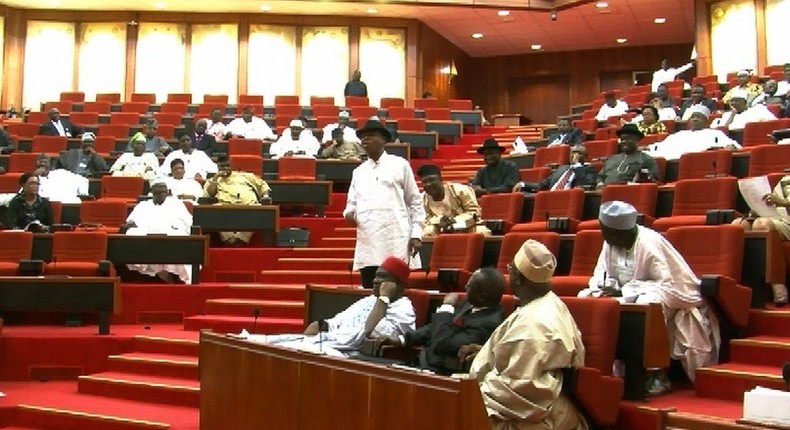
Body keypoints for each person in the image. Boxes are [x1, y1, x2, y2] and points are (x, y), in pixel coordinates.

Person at [579, 201, 720, 395]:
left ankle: (657, 374)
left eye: (606, 232)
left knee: (647, 303)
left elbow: (667, 283)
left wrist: (624, 292)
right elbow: (602, 275)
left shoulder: (648, 242)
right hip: (628, 293)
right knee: (585, 297)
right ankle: (598, 366)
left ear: (618, 232)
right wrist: (603, 289)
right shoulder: (610, 243)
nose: (603, 236)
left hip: (668, 295)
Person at [468, 239, 587, 430]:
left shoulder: (535, 325)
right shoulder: (548, 303)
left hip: (531, 418)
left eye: (510, 269)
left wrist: (470, 394)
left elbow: (518, 389)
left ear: (518, 278)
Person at [242, 256, 416, 358]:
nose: (375, 281)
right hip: (331, 341)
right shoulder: (369, 300)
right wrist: (323, 324)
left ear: (398, 285)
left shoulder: (404, 309)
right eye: (376, 276)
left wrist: (384, 298)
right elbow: (337, 321)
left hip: (353, 354)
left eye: (382, 277)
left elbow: (369, 331)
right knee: (263, 343)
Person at [374, 268, 505, 375]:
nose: (465, 287)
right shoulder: (469, 303)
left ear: (482, 296)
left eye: (469, 286)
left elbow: (441, 345)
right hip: (421, 364)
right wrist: (402, 339)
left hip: (441, 374)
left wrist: (446, 308)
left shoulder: (489, 323)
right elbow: (435, 328)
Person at [343, 119, 424, 288]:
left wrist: (416, 234)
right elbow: (351, 204)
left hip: (395, 237)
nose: (365, 140)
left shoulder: (400, 164)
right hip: (368, 239)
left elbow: (415, 201)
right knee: (369, 289)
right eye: (363, 137)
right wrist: (349, 214)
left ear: (384, 140)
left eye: (371, 136)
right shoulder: (358, 172)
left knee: (396, 290)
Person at [731, 179, 790, 306]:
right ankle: (742, 287)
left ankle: (778, 284)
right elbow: (777, 211)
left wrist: (784, 203)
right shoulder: (783, 181)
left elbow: (783, 204)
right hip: (780, 221)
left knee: (762, 225)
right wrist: (759, 209)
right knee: (738, 226)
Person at [124, 179, 195, 284]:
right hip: (146, 236)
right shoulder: (143, 205)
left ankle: (169, 276)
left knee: (177, 237)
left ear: (167, 192)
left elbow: (186, 223)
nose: (161, 194)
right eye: (158, 192)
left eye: (163, 192)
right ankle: (151, 275)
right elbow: (131, 222)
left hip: (169, 235)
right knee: (132, 234)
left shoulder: (176, 204)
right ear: (152, 192)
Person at [204, 159, 272, 246]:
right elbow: (210, 193)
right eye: (222, 166)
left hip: (248, 205)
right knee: (214, 209)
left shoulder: (245, 176)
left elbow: (263, 185)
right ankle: (229, 239)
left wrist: (265, 196)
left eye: (227, 166)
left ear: (231, 166)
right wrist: (216, 178)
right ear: (218, 167)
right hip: (225, 206)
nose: (225, 168)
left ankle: (240, 239)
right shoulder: (214, 179)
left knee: (258, 209)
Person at [417, 164, 489, 238]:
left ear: (441, 179)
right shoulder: (423, 198)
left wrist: (453, 221)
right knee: (427, 231)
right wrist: (439, 220)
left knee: (482, 232)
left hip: (468, 226)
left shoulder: (461, 190)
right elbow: (426, 219)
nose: (428, 184)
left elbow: (474, 213)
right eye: (424, 182)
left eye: (431, 180)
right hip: (441, 228)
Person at [644, 111, 741, 161]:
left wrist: (730, 147)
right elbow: (659, 146)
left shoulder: (714, 133)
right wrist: (645, 147)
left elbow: (732, 145)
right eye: (693, 117)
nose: (695, 119)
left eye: (698, 117)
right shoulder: (680, 134)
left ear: (706, 121)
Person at [514, 144, 597, 192]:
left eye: (578, 153)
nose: (574, 156)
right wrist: (523, 184)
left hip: (566, 197)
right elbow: (542, 184)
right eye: (572, 153)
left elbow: (587, 185)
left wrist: (578, 165)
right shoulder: (562, 168)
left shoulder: (589, 169)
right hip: (549, 196)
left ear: (585, 157)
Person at [710, 91, 776, 131]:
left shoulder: (758, 109)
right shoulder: (726, 115)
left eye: (736, 101)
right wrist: (732, 115)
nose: (733, 103)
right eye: (732, 101)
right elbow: (723, 132)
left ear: (744, 102)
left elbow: (773, 122)